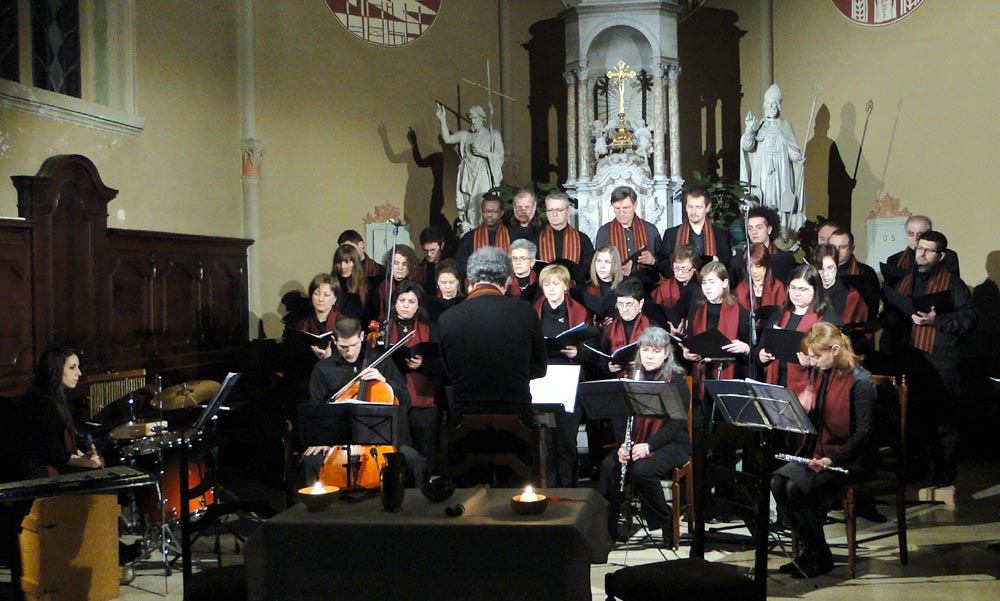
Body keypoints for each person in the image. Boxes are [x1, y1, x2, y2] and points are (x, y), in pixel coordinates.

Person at [771, 322, 876, 578]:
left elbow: (864, 433)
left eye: (817, 357)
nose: (814, 362)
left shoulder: (860, 381)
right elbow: (818, 419)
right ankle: (812, 550)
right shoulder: (822, 373)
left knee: (795, 487)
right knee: (777, 481)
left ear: (835, 350)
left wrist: (832, 460)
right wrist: (803, 405)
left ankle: (819, 555)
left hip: (852, 459)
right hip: (821, 451)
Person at [2, 347, 105, 596]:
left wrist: (83, 456)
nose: (79, 373)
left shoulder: (52, 399)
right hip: (35, 479)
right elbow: (52, 452)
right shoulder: (40, 402)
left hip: (46, 469)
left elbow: (63, 443)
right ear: (56, 370)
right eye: (72, 367)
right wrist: (88, 464)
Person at [882, 231, 976, 486]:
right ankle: (915, 469)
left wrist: (938, 320)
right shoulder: (904, 281)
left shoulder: (952, 283)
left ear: (941, 256)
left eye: (929, 250)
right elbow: (889, 315)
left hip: (940, 361)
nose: (921, 254)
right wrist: (898, 315)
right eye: (919, 248)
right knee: (911, 417)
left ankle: (944, 472)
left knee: (943, 420)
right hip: (910, 358)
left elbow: (969, 318)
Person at [597, 327, 690, 545]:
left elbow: (675, 425)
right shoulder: (632, 377)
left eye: (655, 351)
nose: (649, 356)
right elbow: (622, 417)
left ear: (666, 354)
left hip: (672, 443)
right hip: (637, 440)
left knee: (642, 470)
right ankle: (607, 530)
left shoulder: (676, 380)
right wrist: (624, 446)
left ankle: (666, 520)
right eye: (645, 350)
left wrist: (648, 446)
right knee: (609, 466)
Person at [304, 317, 420, 483]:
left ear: (361, 336)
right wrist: (321, 439)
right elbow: (316, 409)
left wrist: (385, 381)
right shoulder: (323, 369)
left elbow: (405, 400)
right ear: (334, 341)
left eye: (353, 345)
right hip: (337, 440)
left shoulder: (381, 362)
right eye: (343, 347)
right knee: (311, 461)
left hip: (380, 440)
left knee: (412, 459)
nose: (349, 352)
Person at [438, 247, 546, 424]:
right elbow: (539, 368)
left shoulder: (448, 318)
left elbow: (449, 371)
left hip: (465, 419)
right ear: (508, 280)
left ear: (471, 279)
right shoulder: (525, 312)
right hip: (516, 416)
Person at [534, 263, 592, 486]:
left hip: (569, 378)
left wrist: (578, 352)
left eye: (555, 284)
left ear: (566, 286)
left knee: (567, 439)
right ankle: (548, 488)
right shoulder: (534, 311)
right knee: (546, 440)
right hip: (543, 379)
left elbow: (591, 347)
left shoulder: (579, 311)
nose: (550, 288)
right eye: (546, 284)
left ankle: (569, 489)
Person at [385, 281, 440, 484]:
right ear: (395, 303)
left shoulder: (430, 329)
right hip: (393, 397)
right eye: (402, 300)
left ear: (419, 305)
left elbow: (441, 363)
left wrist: (422, 364)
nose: (406, 305)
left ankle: (423, 488)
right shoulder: (384, 329)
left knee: (425, 450)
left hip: (422, 398)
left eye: (411, 301)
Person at [680, 262, 751, 414]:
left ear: (724, 283)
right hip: (702, 375)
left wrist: (746, 348)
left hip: (730, 375)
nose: (707, 287)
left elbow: (752, 349)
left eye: (712, 282)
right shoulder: (697, 309)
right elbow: (690, 339)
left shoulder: (740, 312)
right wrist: (686, 352)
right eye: (704, 283)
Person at [757, 264, 841, 390]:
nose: (796, 294)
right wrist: (761, 356)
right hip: (776, 384)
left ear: (815, 290)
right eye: (793, 288)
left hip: (810, 388)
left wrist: (813, 362)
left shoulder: (828, 319)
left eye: (803, 289)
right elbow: (761, 347)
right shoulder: (779, 315)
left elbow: (835, 361)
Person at [740, 83, 804, 235]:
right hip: (762, 174)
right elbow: (747, 146)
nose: (770, 107)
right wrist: (749, 130)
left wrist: (798, 159)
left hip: (781, 173)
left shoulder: (785, 126)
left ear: (779, 106)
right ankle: (761, 232)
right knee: (763, 203)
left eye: (773, 104)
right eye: (768, 104)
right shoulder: (759, 125)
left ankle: (782, 233)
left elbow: (793, 151)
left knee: (781, 203)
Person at [435, 103, 504, 233]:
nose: (473, 121)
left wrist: (483, 153)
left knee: (482, 200)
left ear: (482, 118)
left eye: (475, 118)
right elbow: (448, 139)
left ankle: (485, 232)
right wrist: (442, 119)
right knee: (469, 205)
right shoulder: (465, 135)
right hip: (468, 174)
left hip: (483, 172)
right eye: (471, 118)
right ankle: (472, 232)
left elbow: (500, 156)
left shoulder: (493, 134)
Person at [579, 278, 657, 380]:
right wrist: (608, 366)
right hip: (615, 381)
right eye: (620, 304)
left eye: (629, 304)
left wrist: (644, 364)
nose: (624, 309)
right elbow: (601, 358)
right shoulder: (609, 327)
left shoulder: (652, 328)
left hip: (645, 381)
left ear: (641, 303)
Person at [594, 186, 664, 290]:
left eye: (625, 208)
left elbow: (664, 261)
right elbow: (599, 264)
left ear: (635, 205)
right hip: (614, 287)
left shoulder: (650, 230)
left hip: (646, 286)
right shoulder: (604, 232)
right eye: (617, 209)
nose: (621, 213)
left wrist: (653, 260)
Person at [814, 244, 869, 351]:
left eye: (830, 268)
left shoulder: (851, 295)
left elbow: (859, 332)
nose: (825, 274)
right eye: (820, 269)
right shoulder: (809, 292)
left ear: (837, 266)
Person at [662, 186, 732, 266]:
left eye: (698, 207)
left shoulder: (721, 235)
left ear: (708, 207)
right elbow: (664, 263)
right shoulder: (671, 234)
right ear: (686, 207)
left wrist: (717, 262)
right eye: (690, 207)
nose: (693, 212)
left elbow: (727, 262)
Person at [884, 215, 961, 285]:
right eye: (911, 233)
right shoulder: (894, 260)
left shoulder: (948, 256)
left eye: (920, 234)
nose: (915, 238)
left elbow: (954, 285)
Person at [537, 192, 595, 284]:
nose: (554, 214)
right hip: (544, 288)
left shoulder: (582, 239)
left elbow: (588, 272)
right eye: (550, 210)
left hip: (574, 289)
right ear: (546, 213)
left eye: (559, 210)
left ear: (568, 212)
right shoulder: (536, 238)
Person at [733, 204, 797, 285]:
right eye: (750, 228)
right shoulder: (739, 260)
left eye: (759, 227)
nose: (754, 232)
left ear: (769, 229)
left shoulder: (785, 260)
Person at [828, 228, 880, 323]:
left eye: (842, 247)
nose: (836, 251)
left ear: (852, 248)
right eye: (832, 247)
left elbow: (872, 310)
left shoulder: (866, 273)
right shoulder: (820, 271)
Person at [651, 245, 704, 330]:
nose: (680, 273)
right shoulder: (664, 289)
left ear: (694, 267)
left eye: (684, 268)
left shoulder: (703, 285)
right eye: (676, 268)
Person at [455, 194, 511, 274]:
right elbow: (461, 266)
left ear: (501, 213)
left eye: (494, 211)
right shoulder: (469, 238)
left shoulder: (512, 235)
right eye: (485, 211)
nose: (489, 215)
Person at [733, 243, 786, 316]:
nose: (754, 271)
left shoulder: (777, 287)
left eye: (758, 266)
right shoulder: (740, 289)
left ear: (766, 266)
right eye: (750, 266)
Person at [332, 243, 376, 323]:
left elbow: (371, 318)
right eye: (339, 262)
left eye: (347, 262)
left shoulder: (367, 287)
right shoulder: (330, 285)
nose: (342, 267)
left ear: (355, 263)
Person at [377, 245, 420, 322]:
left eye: (404, 264)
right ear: (390, 265)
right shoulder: (382, 287)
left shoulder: (416, 288)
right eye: (396, 263)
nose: (400, 268)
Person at [580, 246, 625, 321]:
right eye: (599, 261)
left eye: (607, 262)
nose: (602, 266)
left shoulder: (625, 286)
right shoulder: (586, 288)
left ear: (615, 264)